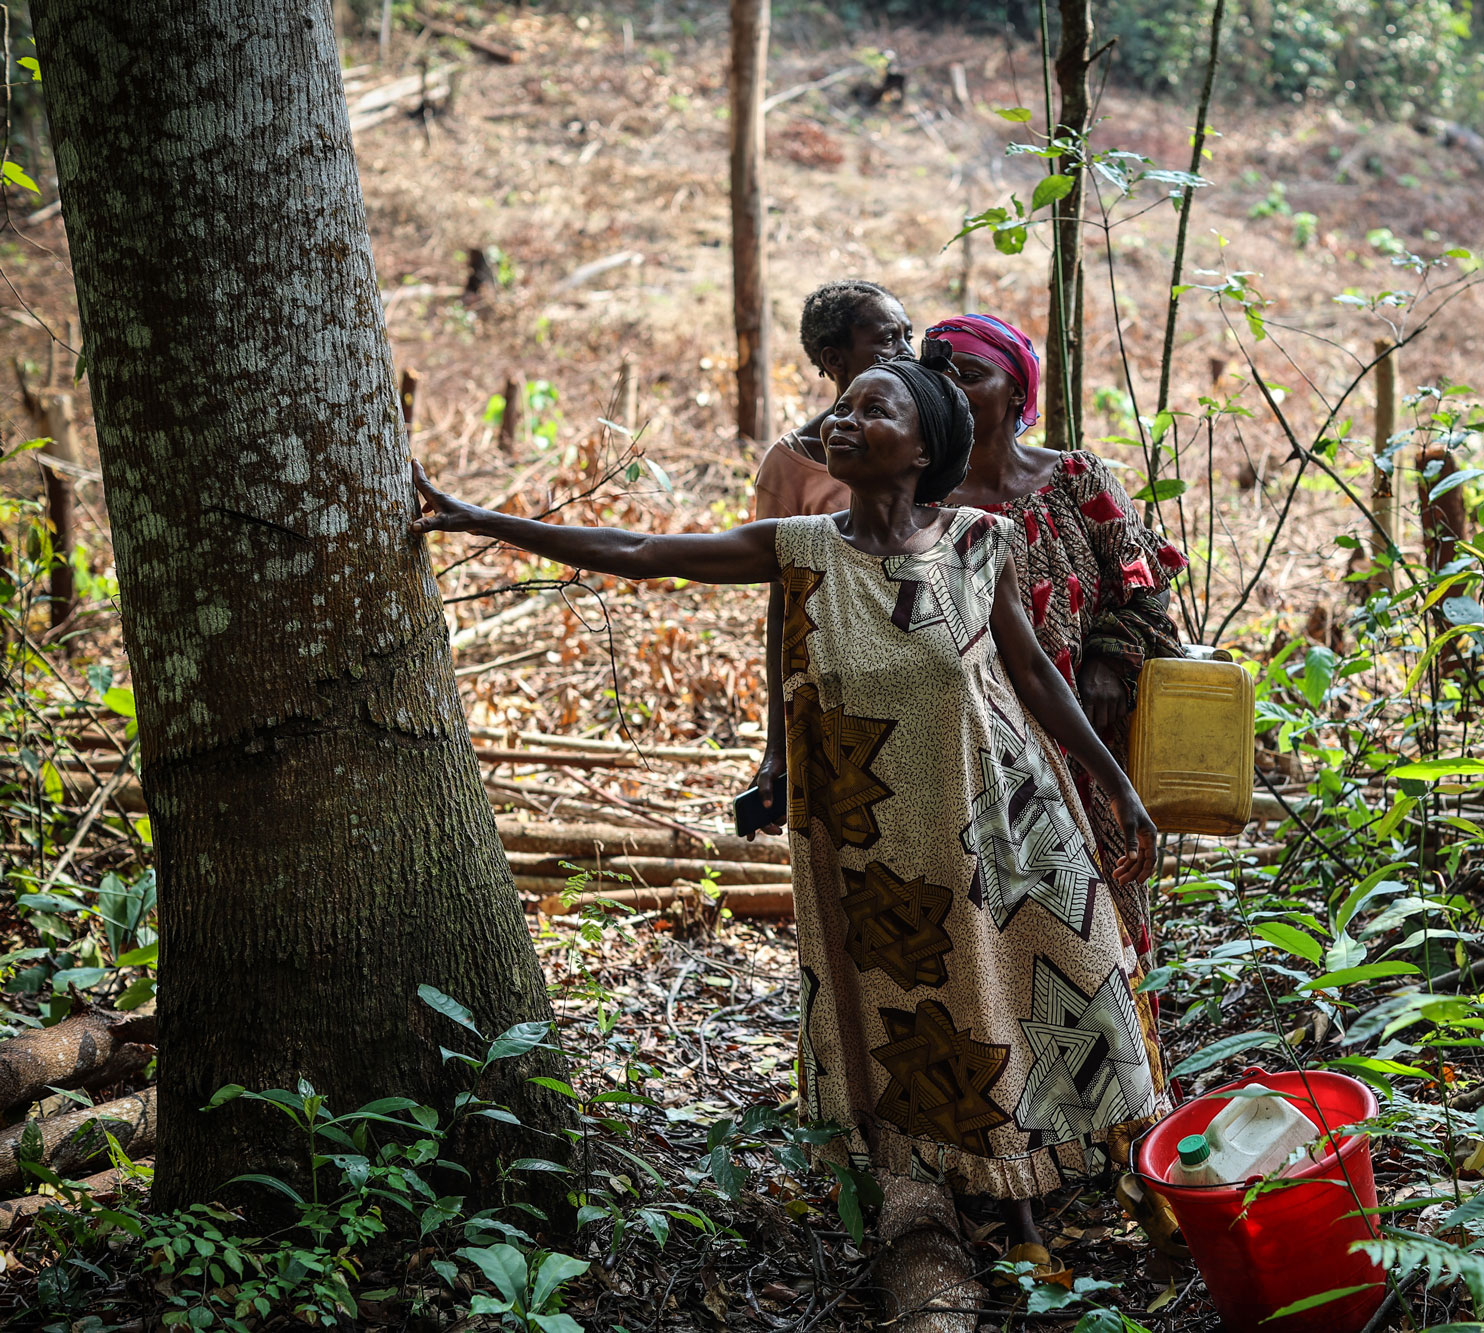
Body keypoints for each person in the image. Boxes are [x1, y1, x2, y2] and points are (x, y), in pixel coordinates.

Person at [411, 343, 1166, 1279]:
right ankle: (980, 1210)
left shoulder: (980, 542)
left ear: (924, 445)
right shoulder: (799, 550)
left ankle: (1064, 1203)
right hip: (884, 861)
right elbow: (642, 555)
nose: (844, 420)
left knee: (1047, 998)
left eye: (874, 409)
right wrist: (476, 517)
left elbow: (1039, 680)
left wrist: (1120, 788)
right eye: (841, 407)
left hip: (1009, 836)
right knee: (940, 1024)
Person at [930, 313, 1189, 961]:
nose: (951, 389)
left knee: (1104, 932)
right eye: (937, 374)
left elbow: (1149, 587)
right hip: (967, 752)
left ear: (1017, 393)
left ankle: (1125, 1061)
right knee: (989, 941)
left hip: (1085, 747)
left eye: (971, 373)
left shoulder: (1075, 481)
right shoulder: (916, 503)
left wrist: (1111, 657)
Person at [751, 280, 916, 832]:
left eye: (908, 336)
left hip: (929, 680)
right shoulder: (791, 465)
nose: (906, 353)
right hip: (840, 692)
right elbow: (784, 608)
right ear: (833, 358)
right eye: (888, 339)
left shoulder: (923, 443)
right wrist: (777, 743)